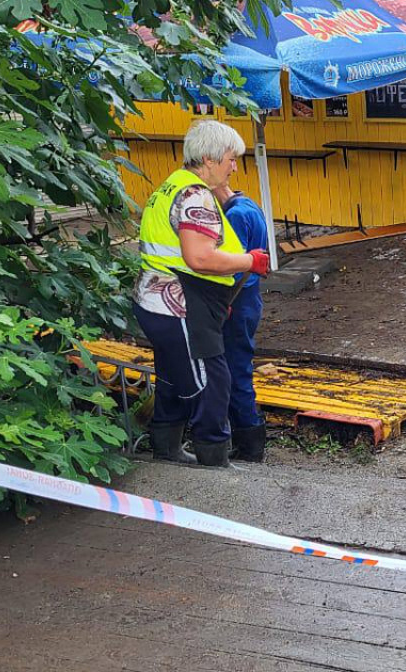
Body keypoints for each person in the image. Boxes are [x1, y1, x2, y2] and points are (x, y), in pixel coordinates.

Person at [132, 120, 270, 467]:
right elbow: (200, 257)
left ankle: (166, 448)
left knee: (171, 374)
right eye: (230, 159)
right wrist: (248, 260)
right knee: (211, 379)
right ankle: (214, 459)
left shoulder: (171, 185)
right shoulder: (195, 196)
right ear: (208, 159)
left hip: (158, 299)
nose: (235, 167)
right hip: (179, 303)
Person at [212, 181, 269, 463]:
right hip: (250, 298)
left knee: (235, 373)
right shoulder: (250, 205)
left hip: (238, 300)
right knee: (238, 368)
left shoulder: (233, 216)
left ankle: (249, 444)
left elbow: (231, 266)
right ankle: (249, 438)